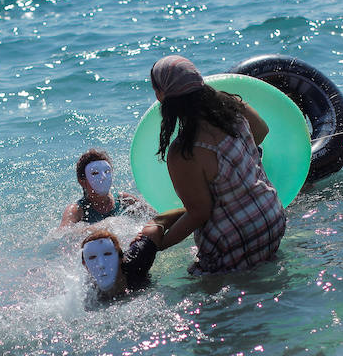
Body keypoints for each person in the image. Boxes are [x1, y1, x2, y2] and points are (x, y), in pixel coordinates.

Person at [149, 55, 286, 274]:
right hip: (273, 220)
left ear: (160, 95)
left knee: (193, 283)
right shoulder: (231, 106)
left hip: (236, 244)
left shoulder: (185, 150)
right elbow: (260, 132)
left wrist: (158, 245)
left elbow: (199, 212)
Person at [80, 209, 184, 302]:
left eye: (107, 254)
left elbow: (157, 223)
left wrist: (193, 207)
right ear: (85, 265)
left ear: (120, 258)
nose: (101, 264)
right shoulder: (87, 294)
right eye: (92, 258)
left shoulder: (137, 261)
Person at [60, 149, 144, 227]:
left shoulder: (124, 200)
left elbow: (154, 214)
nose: (103, 177)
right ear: (82, 181)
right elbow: (62, 234)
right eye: (95, 173)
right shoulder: (77, 210)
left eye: (107, 171)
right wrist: (104, 225)